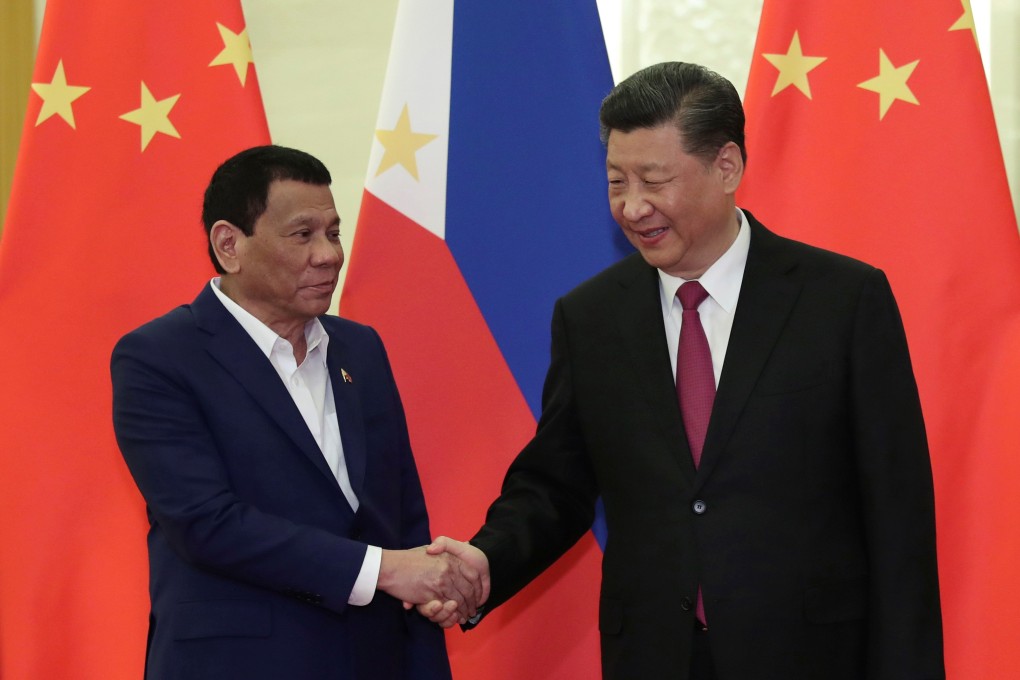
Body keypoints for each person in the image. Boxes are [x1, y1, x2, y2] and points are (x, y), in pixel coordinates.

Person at [422, 62, 945, 679]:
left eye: (654, 180)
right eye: (617, 181)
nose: (632, 206)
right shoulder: (591, 317)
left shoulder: (842, 300)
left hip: (812, 655)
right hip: (655, 656)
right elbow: (556, 484)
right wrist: (487, 561)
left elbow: (897, 513)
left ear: (727, 166)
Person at [111, 145, 485, 680]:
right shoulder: (160, 357)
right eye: (302, 234)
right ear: (229, 245)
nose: (329, 254)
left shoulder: (361, 348)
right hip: (239, 663)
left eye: (333, 232)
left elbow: (400, 517)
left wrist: (431, 591)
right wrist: (384, 571)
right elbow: (206, 524)